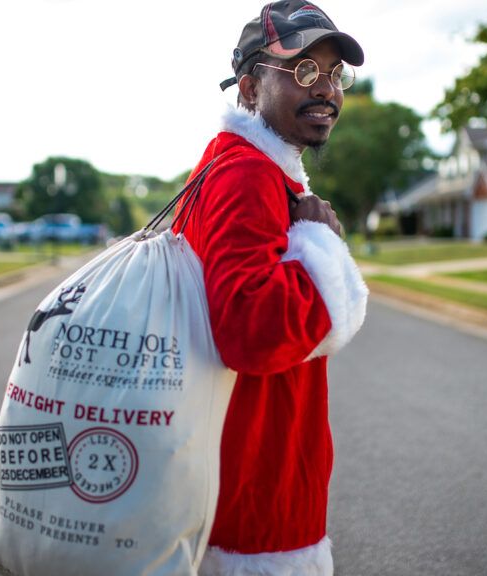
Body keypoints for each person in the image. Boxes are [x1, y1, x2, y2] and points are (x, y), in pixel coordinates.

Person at [172, 2, 368, 574]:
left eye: (334, 74)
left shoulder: (244, 165)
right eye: (303, 71)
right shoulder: (248, 174)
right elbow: (249, 332)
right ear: (250, 88)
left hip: (239, 478)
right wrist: (320, 245)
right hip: (252, 505)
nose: (325, 89)